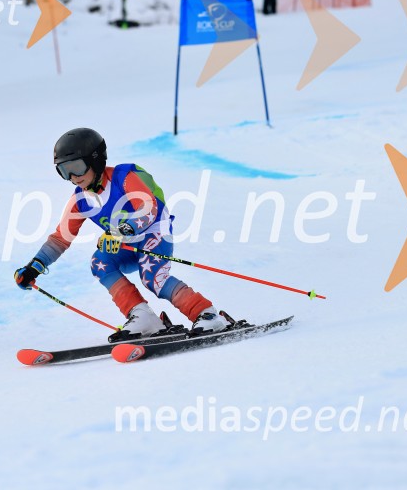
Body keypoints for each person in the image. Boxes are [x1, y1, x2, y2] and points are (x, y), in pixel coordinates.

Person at [14, 128, 240, 342]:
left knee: (153, 278)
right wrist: (34, 267)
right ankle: (143, 317)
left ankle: (207, 314)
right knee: (99, 261)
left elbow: (148, 208)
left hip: (155, 232)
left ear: (95, 161)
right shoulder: (80, 200)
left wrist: (119, 232)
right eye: (64, 170)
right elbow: (60, 239)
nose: (73, 176)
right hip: (127, 244)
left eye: (77, 167)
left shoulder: (123, 177)